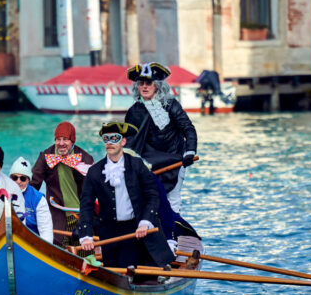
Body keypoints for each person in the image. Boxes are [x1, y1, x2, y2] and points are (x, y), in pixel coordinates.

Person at [76, 121, 175, 271]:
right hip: (108, 232)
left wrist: (145, 222)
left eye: (114, 138)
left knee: (129, 267)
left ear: (123, 141)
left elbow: (153, 195)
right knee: (112, 270)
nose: (109, 143)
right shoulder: (94, 171)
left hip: (135, 229)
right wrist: (86, 234)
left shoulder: (137, 165)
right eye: (106, 139)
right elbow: (86, 205)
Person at [124, 62, 197, 214]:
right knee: (150, 199)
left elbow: (188, 128)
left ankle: (173, 230)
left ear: (156, 85)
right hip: (149, 163)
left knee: (173, 199)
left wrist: (190, 151)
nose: (144, 87)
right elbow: (129, 143)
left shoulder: (171, 105)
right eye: (141, 83)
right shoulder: (133, 111)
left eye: (148, 83)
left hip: (176, 160)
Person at [31, 121, 95, 244]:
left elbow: (91, 193)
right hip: (55, 213)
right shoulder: (45, 157)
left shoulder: (86, 159)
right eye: (58, 139)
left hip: (80, 214)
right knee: (57, 250)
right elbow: (33, 186)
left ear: (73, 141)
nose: (61, 143)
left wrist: (86, 219)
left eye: (65, 139)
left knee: (84, 254)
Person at [8, 157, 54, 243]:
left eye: (23, 178)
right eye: (15, 178)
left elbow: (45, 230)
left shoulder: (38, 199)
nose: (18, 181)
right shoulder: (2, 194)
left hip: (31, 243)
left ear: (28, 180)